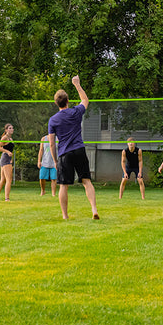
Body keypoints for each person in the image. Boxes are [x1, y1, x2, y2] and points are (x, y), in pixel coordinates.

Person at [47, 76, 100, 220]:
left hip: (64, 154)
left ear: (56, 103)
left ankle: (65, 216)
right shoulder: (75, 112)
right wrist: (77, 84)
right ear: (68, 101)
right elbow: (85, 100)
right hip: (79, 150)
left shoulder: (53, 120)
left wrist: (55, 160)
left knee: (64, 186)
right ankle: (94, 209)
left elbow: (52, 143)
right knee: (86, 181)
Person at [0, 123, 14, 201]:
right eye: (9, 128)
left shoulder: (11, 139)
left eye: (12, 128)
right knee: (9, 180)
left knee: (3, 180)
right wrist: (7, 152)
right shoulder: (5, 137)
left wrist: (11, 157)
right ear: (6, 130)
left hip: (7, 159)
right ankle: (7, 198)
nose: (11, 129)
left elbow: (10, 150)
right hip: (5, 159)